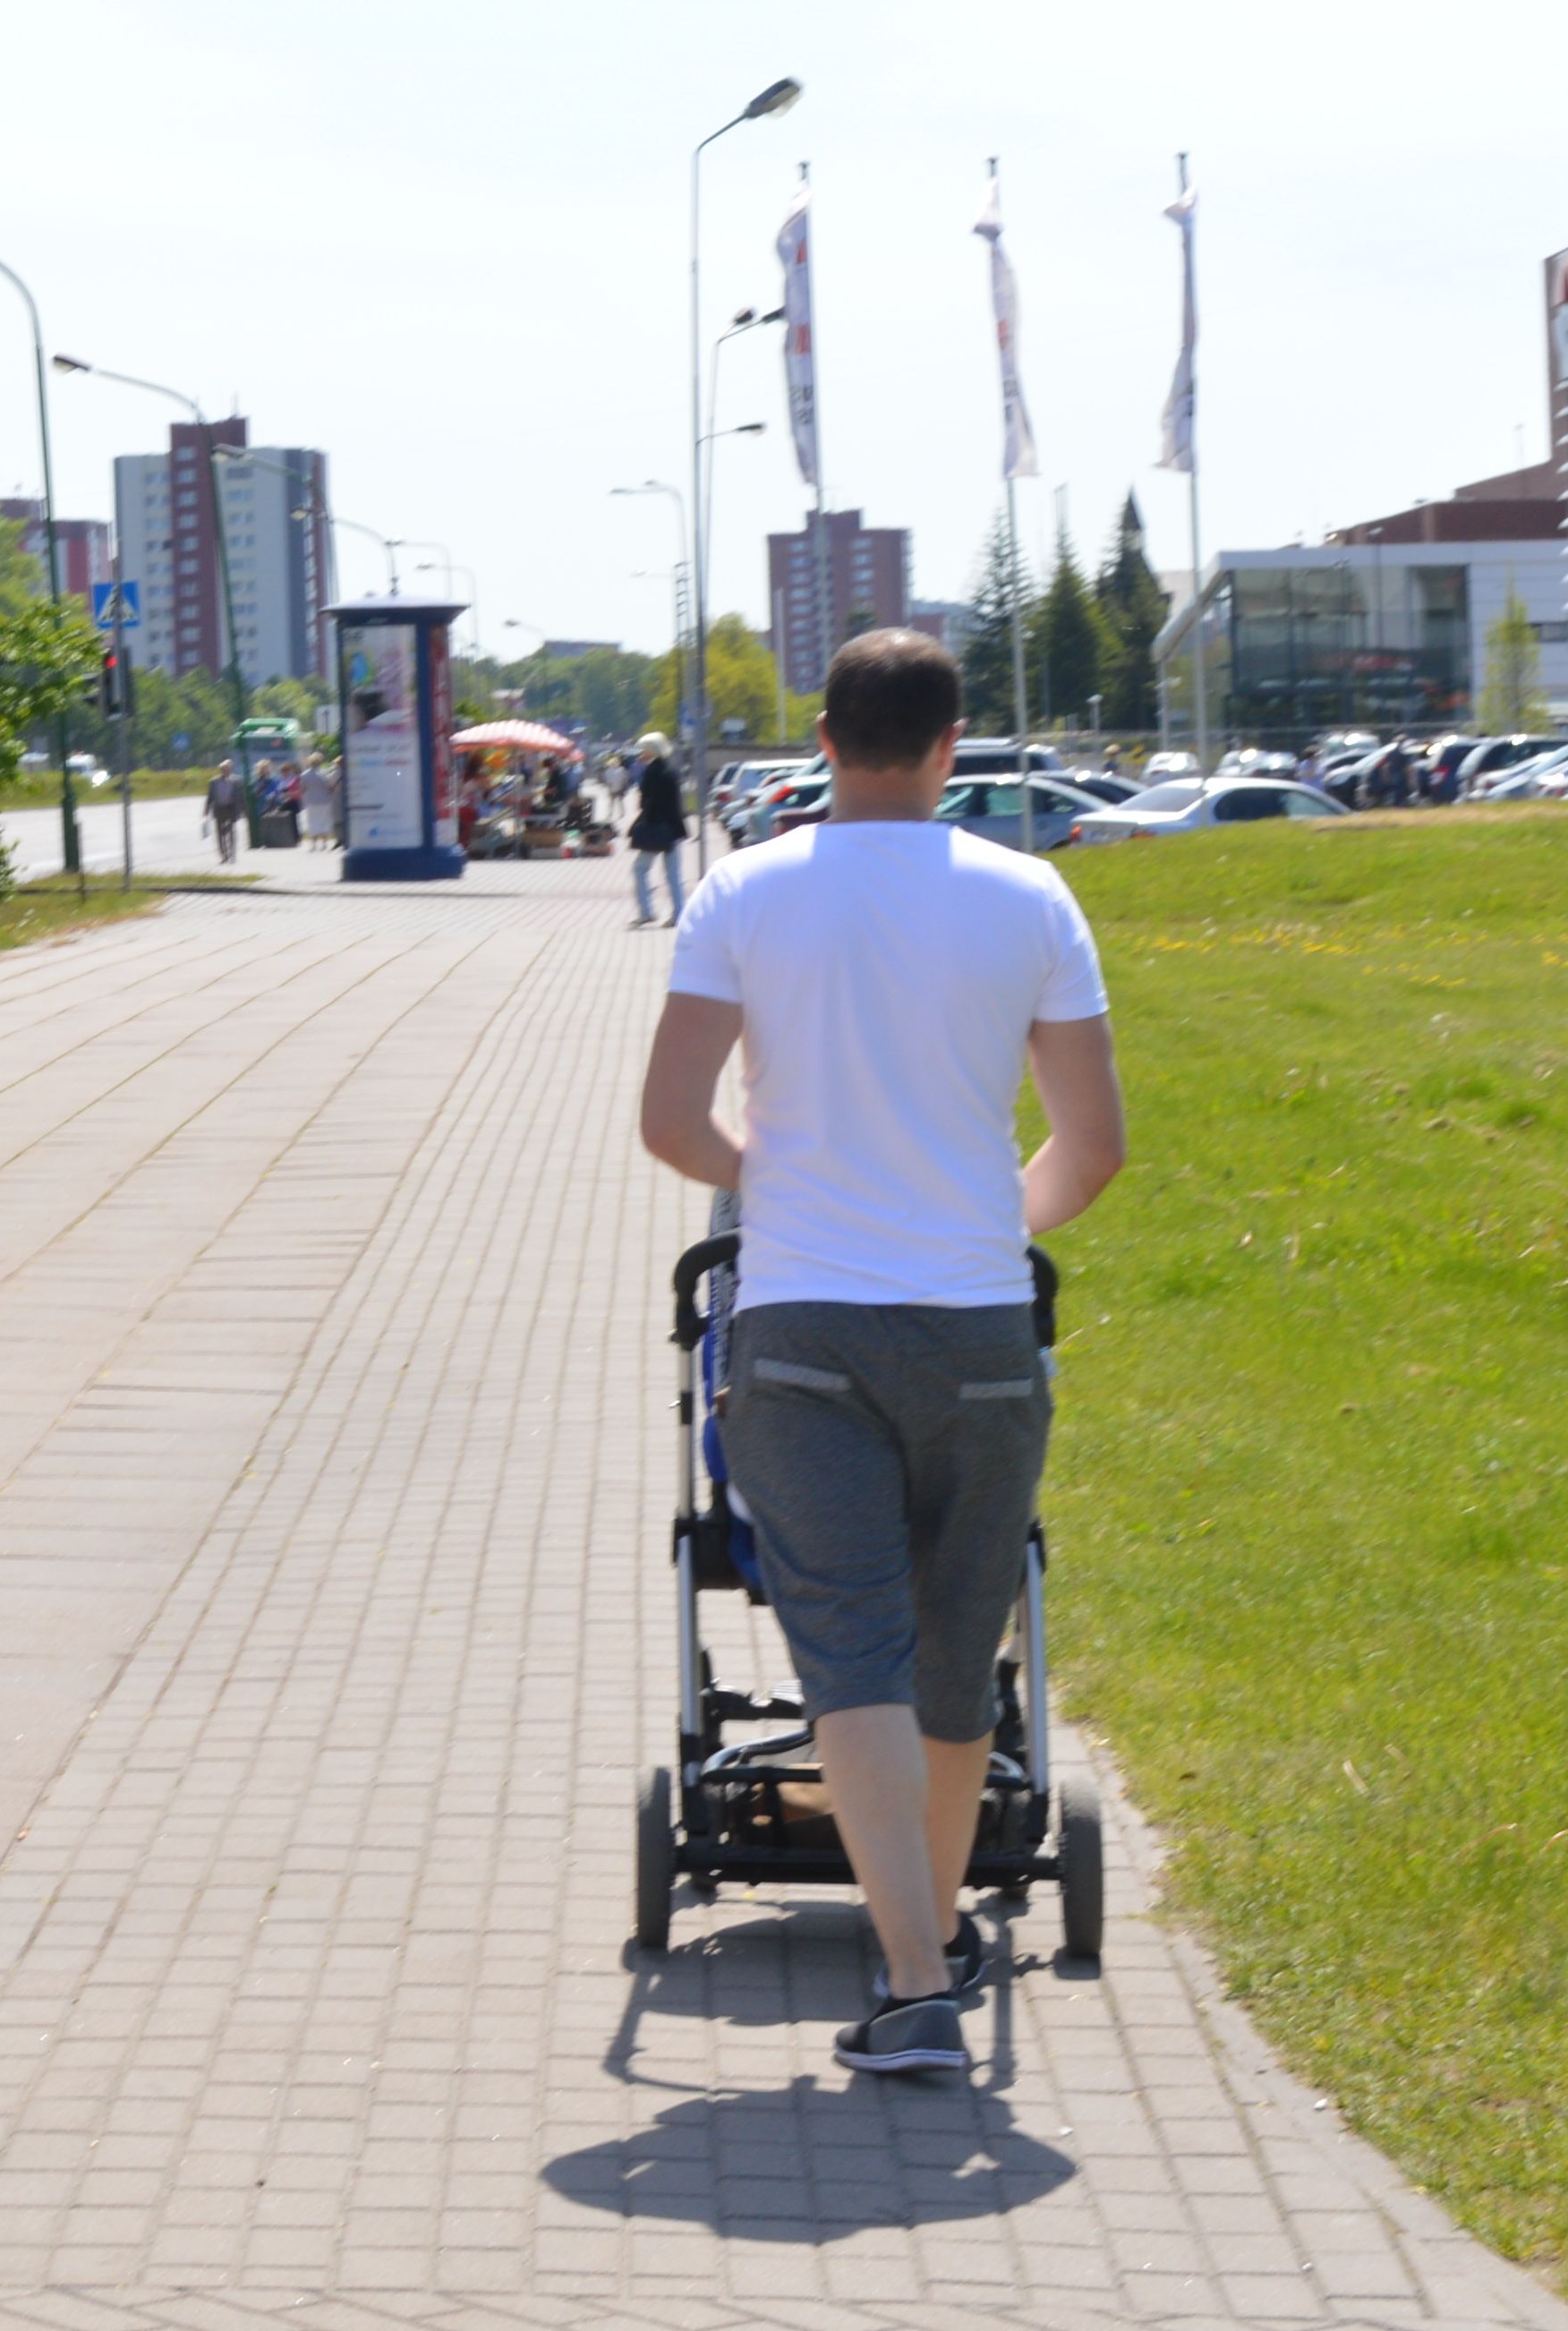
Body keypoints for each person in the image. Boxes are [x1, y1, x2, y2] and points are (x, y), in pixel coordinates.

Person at [635, 626, 1129, 2084]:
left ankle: (913, 1977)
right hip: (977, 1330)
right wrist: (982, 1222)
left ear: (826, 737)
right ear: (950, 743)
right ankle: (941, 1944)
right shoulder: (1031, 897)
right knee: (957, 1652)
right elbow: (1092, 1150)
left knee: (844, 1646)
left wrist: (780, 1192)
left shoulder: (744, 890)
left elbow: (670, 1123)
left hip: (799, 1335)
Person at [626, 731, 689, 926]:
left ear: (651, 751)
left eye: (643, 750)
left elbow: (650, 803)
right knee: (673, 875)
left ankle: (646, 911)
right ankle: (679, 913)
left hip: (655, 830)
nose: (640, 753)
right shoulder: (670, 771)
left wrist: (641, 824)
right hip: (674, 829)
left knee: (639, 869)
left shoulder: (651, 773)